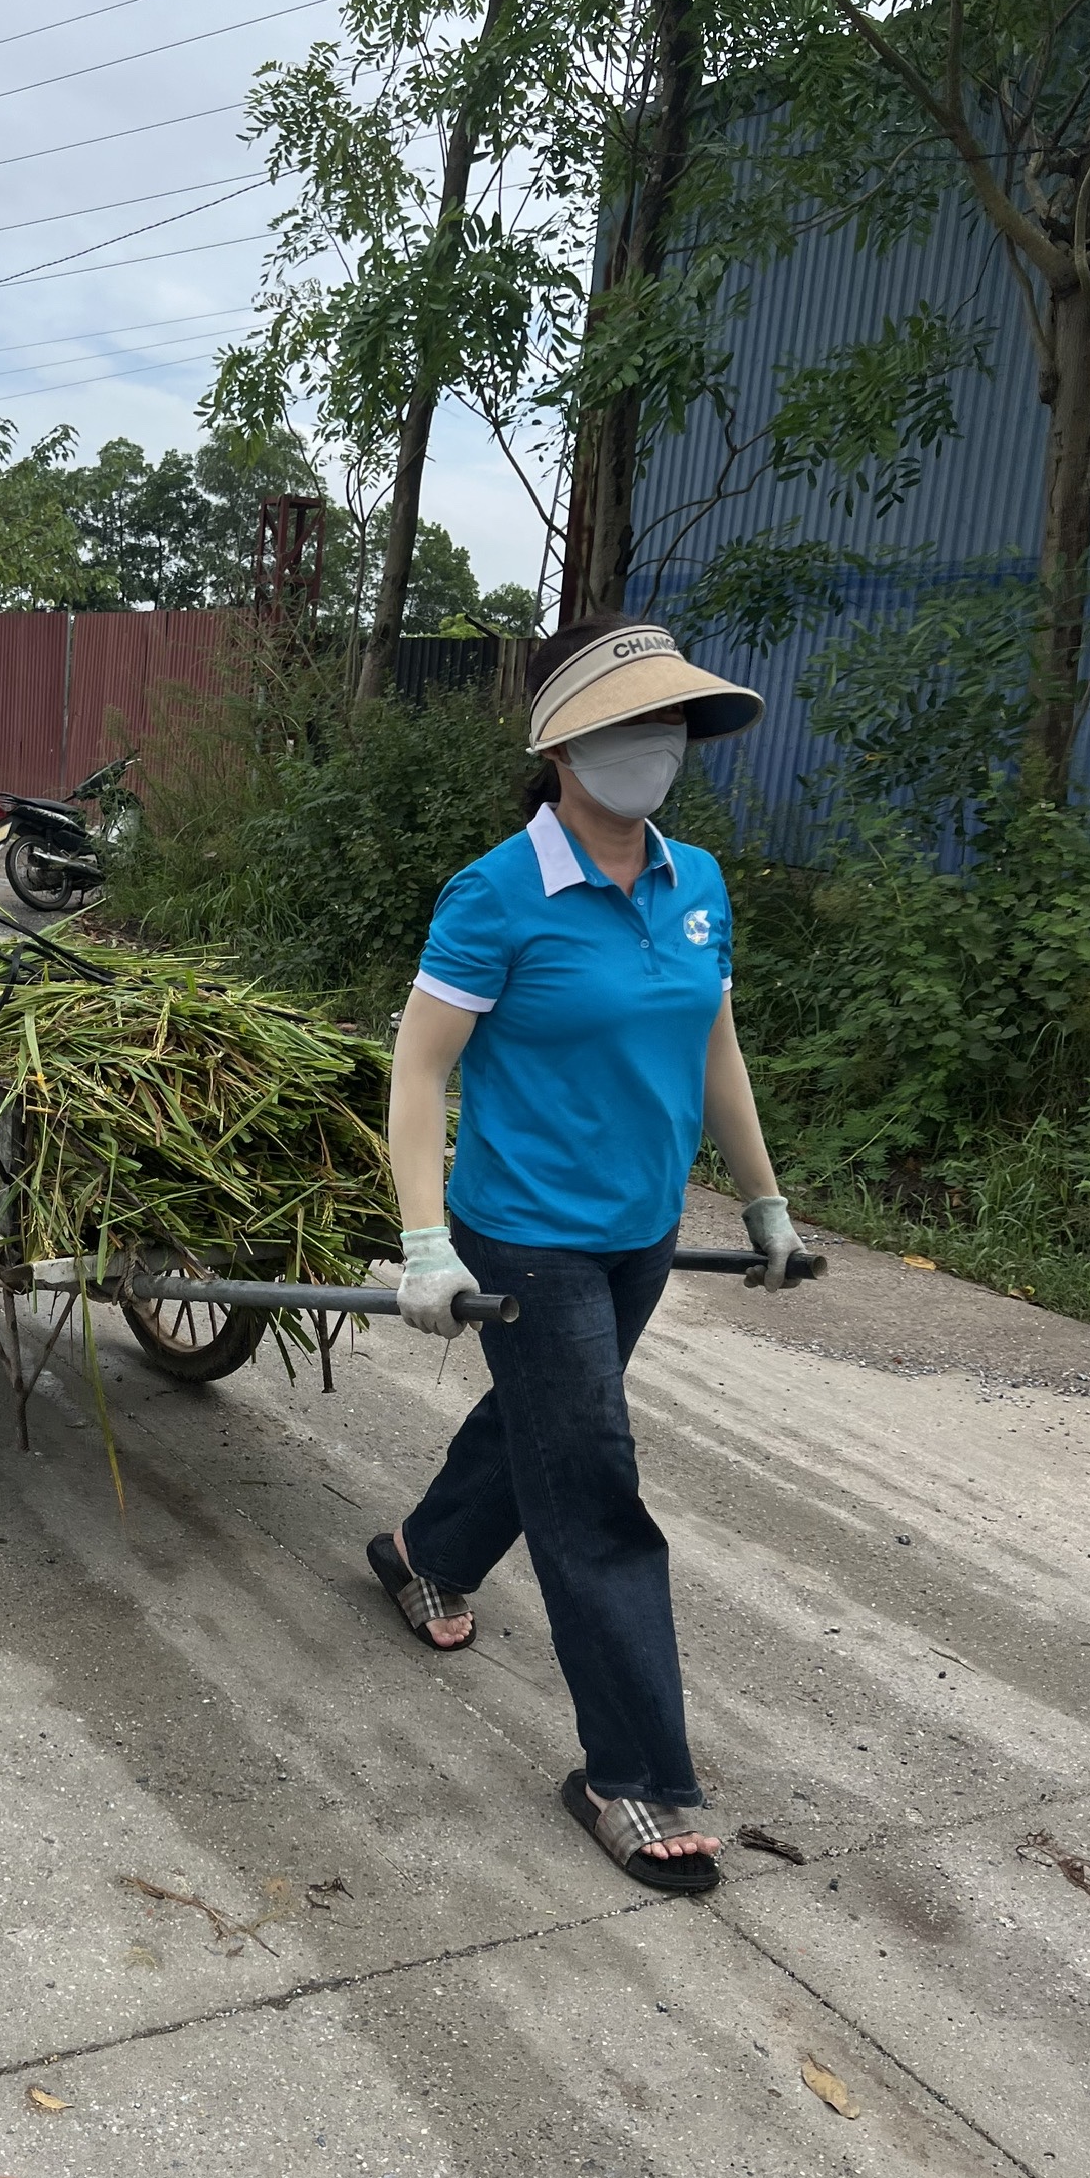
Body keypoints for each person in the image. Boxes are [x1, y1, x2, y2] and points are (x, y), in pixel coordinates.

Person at [375, 613, 805, 1896]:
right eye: (625, 727)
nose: (651, 749)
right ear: (561, 747)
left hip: (643, 1233)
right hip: (530, 1233)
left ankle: (425, 1553)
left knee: (547, 1428)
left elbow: (711, 1049)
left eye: (668, 725)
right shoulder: (498, 891)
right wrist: (422, 1239)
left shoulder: (700, 885)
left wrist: (767, 1201)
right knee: (596, 1490)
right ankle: (635, 1771)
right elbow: (419, 1065)